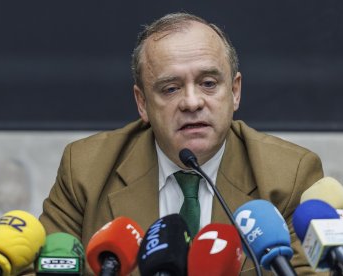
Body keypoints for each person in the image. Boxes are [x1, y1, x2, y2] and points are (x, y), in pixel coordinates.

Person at [40, 12, 324, 275]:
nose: (192, 102)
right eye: (171, 88)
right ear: (142, 103)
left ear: (235, 92)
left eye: (209, 83)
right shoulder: (85, 170)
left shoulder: (290, 176)